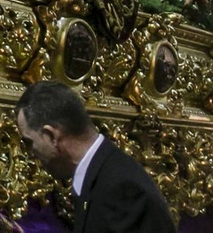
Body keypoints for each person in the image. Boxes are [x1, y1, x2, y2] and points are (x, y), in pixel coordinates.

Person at [14, 80, 174, 233]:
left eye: (29, 142)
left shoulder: (123, 190)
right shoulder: (102, 171)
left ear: (51, 136)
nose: (30, 152)